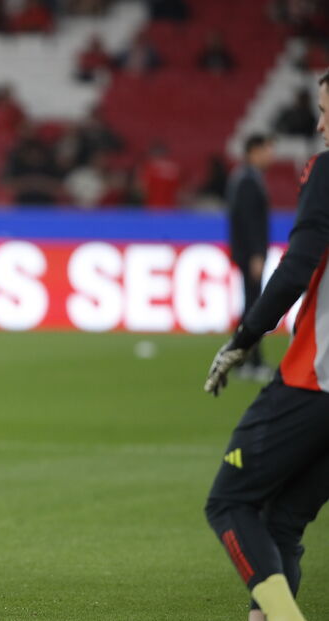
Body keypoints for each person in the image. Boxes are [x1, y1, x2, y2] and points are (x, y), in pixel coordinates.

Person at [203, 69, 329, 621]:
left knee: (230, 501)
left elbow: (299, 263)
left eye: (327, 112)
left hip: (316, 378)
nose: (321, 126)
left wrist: (244, 338)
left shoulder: (327, 168)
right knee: (283, 523)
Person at [227, 134, 274, 382]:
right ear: (253, 151)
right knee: (254, 309)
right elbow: (250, 222)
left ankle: (244, 360)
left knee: (252, 307)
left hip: (248, 253)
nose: (271, 155)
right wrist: (256, 253)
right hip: (250, 255)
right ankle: (248, 361)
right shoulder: (248, 181)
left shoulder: (245, 178)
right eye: (267, 149)